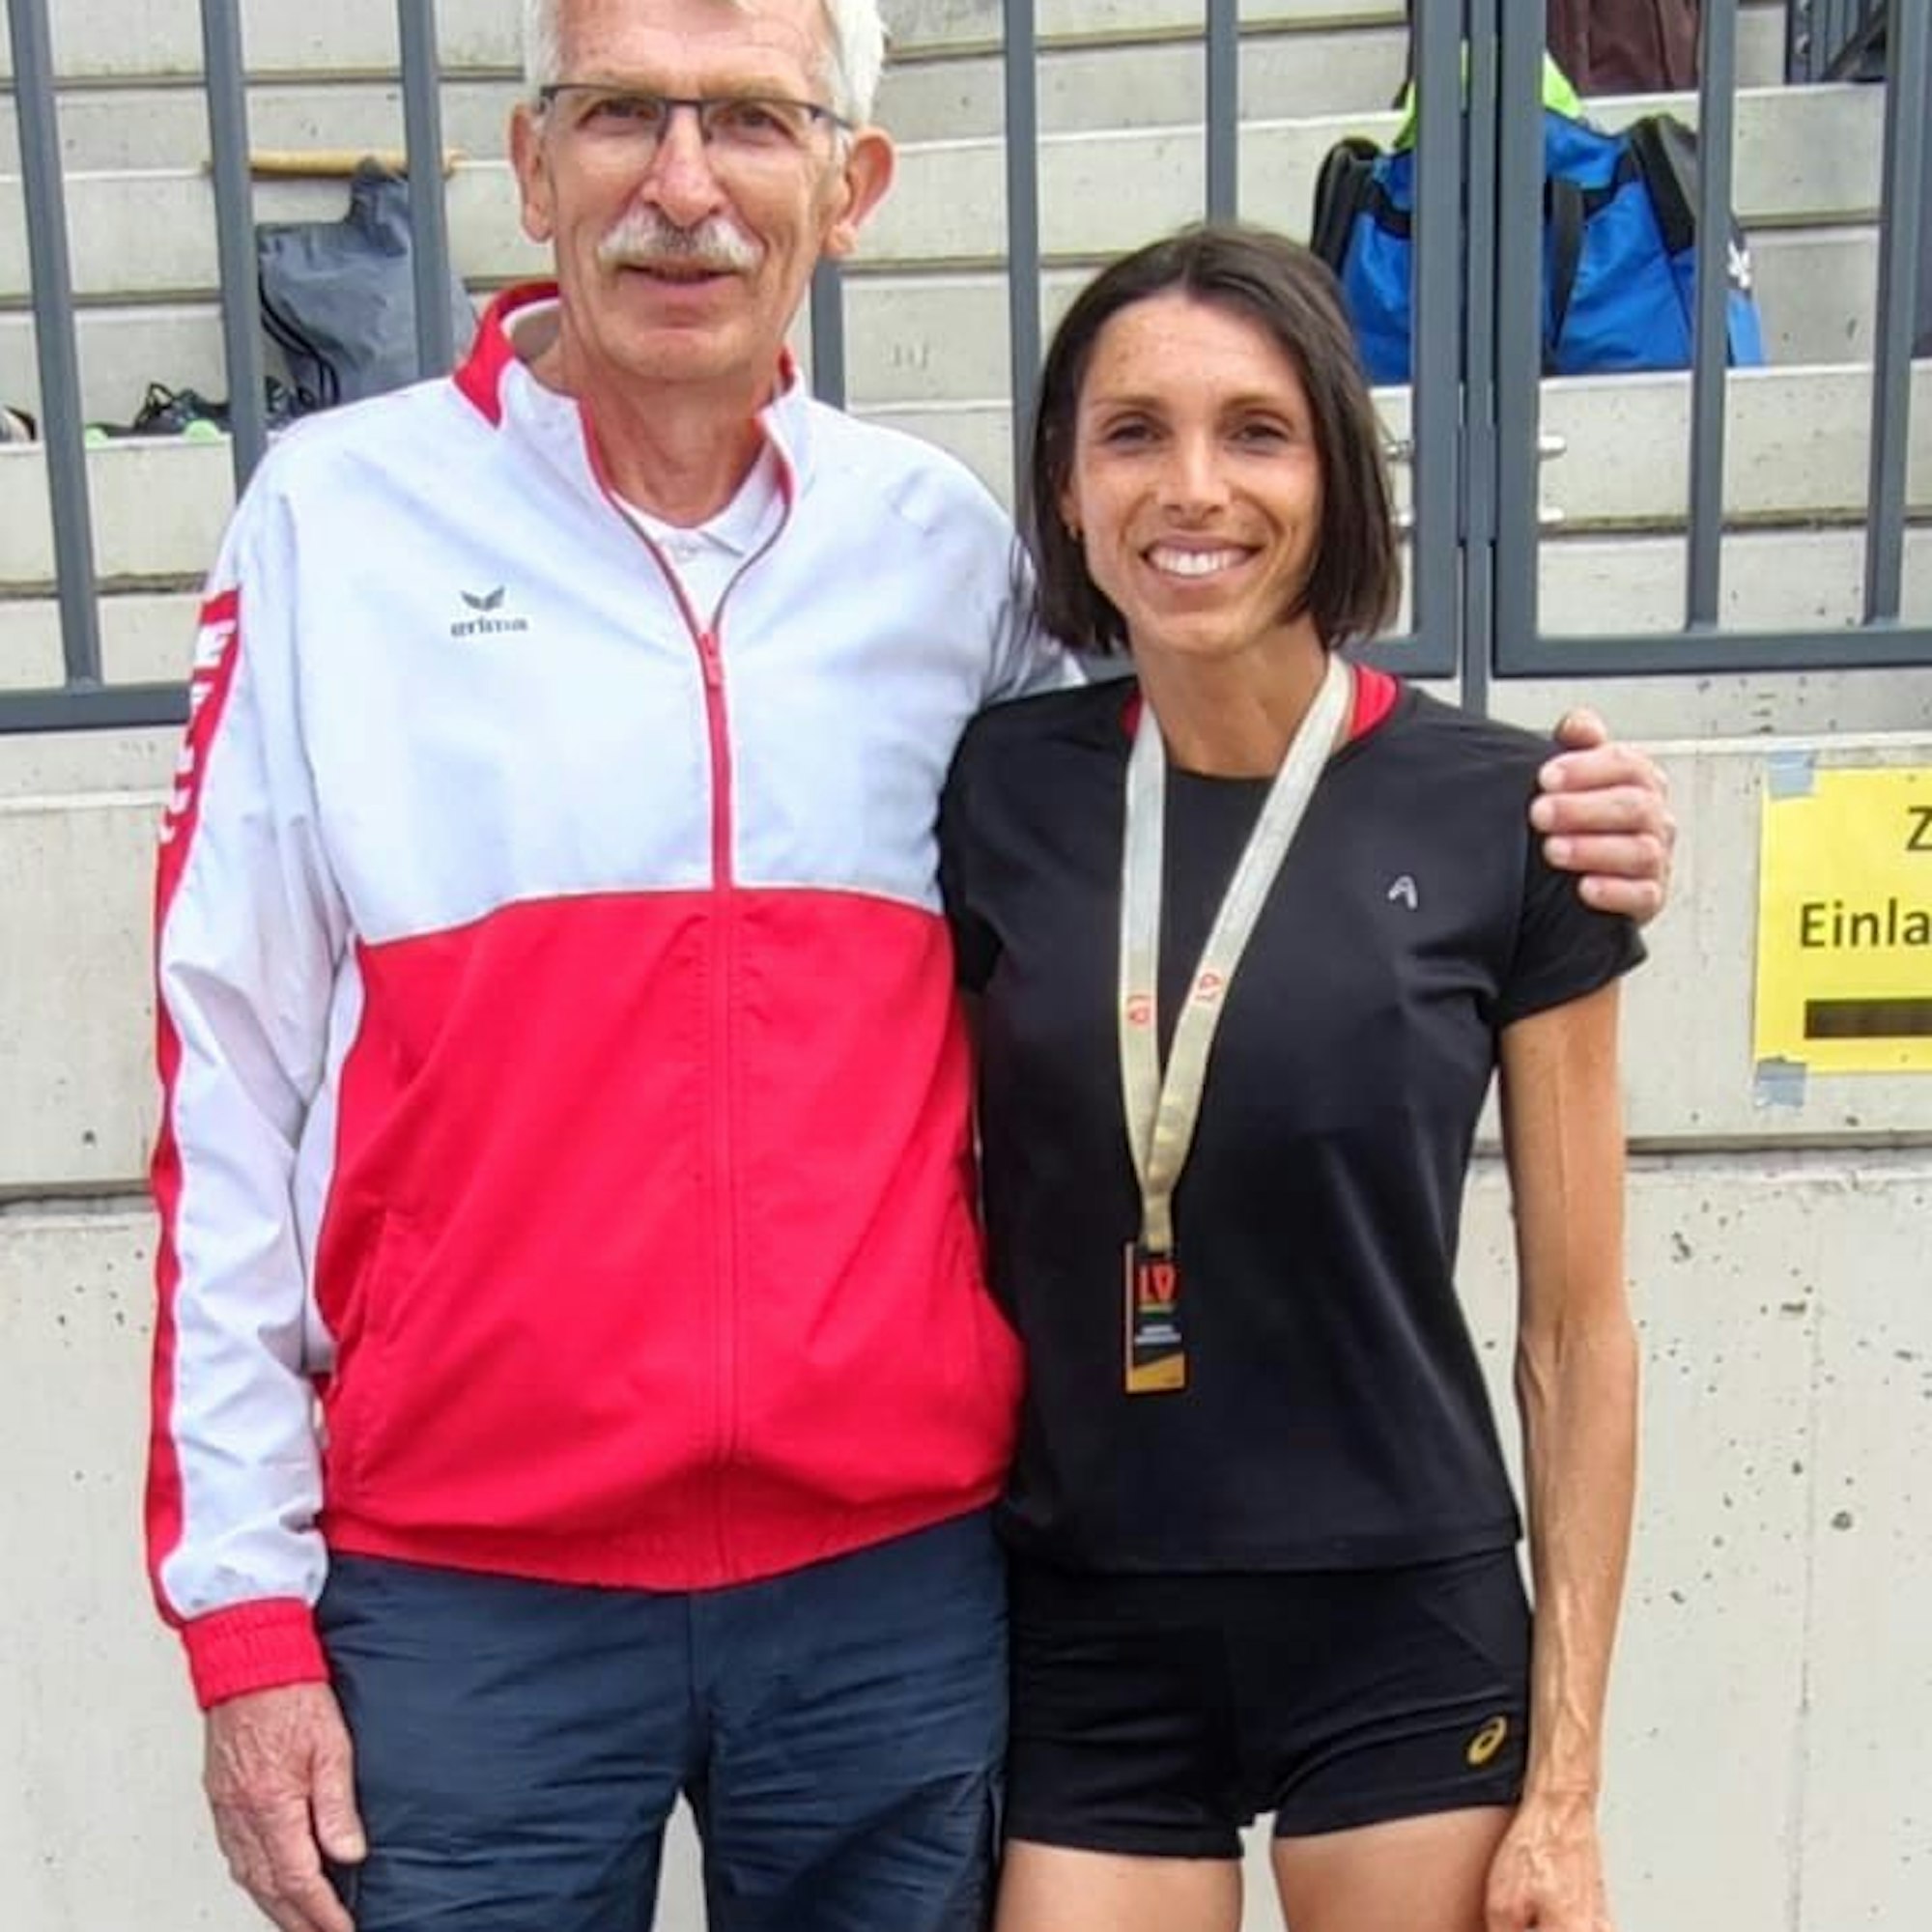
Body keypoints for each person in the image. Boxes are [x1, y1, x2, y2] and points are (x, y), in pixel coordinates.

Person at [145, 3, 1672, 1928]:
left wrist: (1548, 823)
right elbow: (225, 1081)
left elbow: (1221, 780)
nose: (681, 184)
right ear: (530, 170)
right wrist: (244, 1612)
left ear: (848, 189)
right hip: (477, 1589)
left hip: (885, 1591)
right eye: (621, 114)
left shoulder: (933, 554)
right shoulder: (331, 529)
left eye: (752, 125)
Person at [938, 224, 1641, 1932]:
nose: (1195, 489)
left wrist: (1566, 1785)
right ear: (1066, 479)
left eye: (1256, 431)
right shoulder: (992, 791)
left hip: (1397, 1605)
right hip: (1084, 1604)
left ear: (1335, 466)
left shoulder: (1511, 812)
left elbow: (1577, 1331)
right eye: (1134, 433)